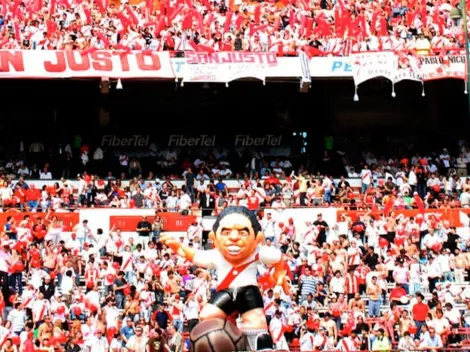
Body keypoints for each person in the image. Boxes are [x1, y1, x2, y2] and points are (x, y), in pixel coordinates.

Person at [161, 206, 291, 351]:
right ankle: (223, 342)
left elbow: (278, 257)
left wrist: (279, 273)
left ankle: (260, 346)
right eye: (226, 232)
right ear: (214, 238)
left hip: (249, 291)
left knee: (256, 322)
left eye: (243, 232)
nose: (234, 238)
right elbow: (195, 255)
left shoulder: (257, 253)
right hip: (226, 292)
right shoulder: (216, 255)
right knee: (207, 315)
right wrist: (180, 248)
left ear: (257, 238)